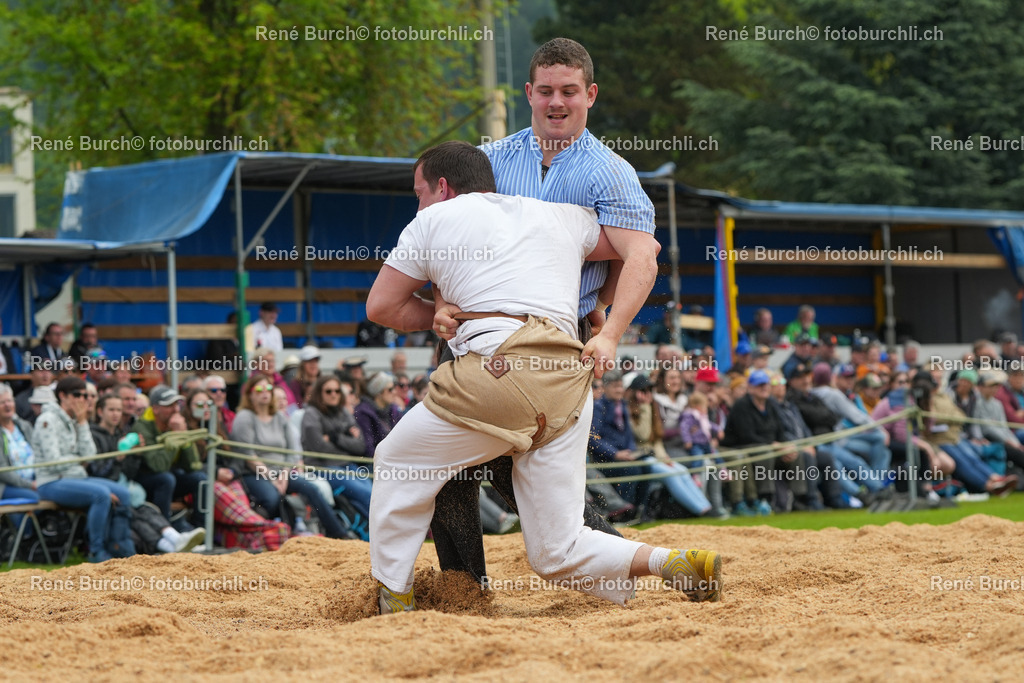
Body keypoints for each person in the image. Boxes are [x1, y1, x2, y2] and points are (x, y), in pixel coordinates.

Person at [365, 140, 719, 612]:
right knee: (558, 549)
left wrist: (435, 313)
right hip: (567, 379)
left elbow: (382, 307)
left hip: (497, 367)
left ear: (442, 187)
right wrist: (600, 306)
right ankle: (670, 561)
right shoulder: (562, 216)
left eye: (420, 192)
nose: (420, 202)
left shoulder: (432, 219)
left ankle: (394, 597)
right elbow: (643, 248)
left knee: (398, 460)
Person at [231, 374, 351, 539]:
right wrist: (272, 477)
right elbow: (248, 455)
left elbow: (291, 451)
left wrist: (284, 475)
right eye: (259, 389)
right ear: (250, 394)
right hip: (254, 473)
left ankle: (338, 533)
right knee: (271, 498)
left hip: (282, 472)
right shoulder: (244, 417)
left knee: (312, 489)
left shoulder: (280, 417)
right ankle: (276, 536)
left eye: (268, 389)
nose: (264, 392)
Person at [30, 376, 135, 562]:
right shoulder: (47, 420)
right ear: (62, 396)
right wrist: (79, 460)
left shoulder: (75, 420)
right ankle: (96, 551)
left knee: (124, 494)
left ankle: (120, 546)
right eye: (77, 395)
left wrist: (82, 422)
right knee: (101, 494)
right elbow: (52, 462)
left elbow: (90, 454)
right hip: (51, 481)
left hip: (75, 477)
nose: (82, 400)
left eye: (86, 396)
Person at [181, 388, 289, 551]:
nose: (204, 408)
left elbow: (236, 457)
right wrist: (216, 473)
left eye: (208, 404)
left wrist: (231, 471)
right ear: (189, 408)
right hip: (204, 481)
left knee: (239, 511)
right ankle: (269, 527)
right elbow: (187, 464)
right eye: (199, 404)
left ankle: (258, 537)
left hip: (229, 478)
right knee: (239, 514)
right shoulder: (185, 432)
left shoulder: (218, 428)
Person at [300, 374, 373, 519]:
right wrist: (346, 442)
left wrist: (335, 438)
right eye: (328, 391)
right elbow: (319, 447)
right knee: (367, 494)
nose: (333, 394)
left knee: (374, 493)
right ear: (319, 394)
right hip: (322, 467)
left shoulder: (343, 412)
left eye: (337, 391)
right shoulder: (311, 414)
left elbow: (360, 446)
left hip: (346, 465)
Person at [719, 370, 789, 516]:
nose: (763, 388)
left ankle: (804, 499)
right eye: (759, 385)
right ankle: (764, 498)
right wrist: (773, 445)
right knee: (765, 453)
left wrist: (785, 445)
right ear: (750, 388)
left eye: (765, 384)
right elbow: (746, 435)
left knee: (797, 454)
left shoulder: (771, 404)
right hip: (740, 446)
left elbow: (781, 429)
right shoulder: (742, 405)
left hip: (767, 445)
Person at [0, 383, 38, 512]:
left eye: (9, 401)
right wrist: (30, 485)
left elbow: (39, 453)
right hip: (7, 485)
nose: (7, 405)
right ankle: (23, 532)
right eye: (2, 402)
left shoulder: (24, 426)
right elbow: (3, 471)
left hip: (35, 479)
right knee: (37, 498)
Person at [353, 372, 400, 458]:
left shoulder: (393, 409)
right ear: (379, 392)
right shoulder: (363, 413)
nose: (394, 392)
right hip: (374, 463)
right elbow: (368, 448)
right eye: (390, 389)